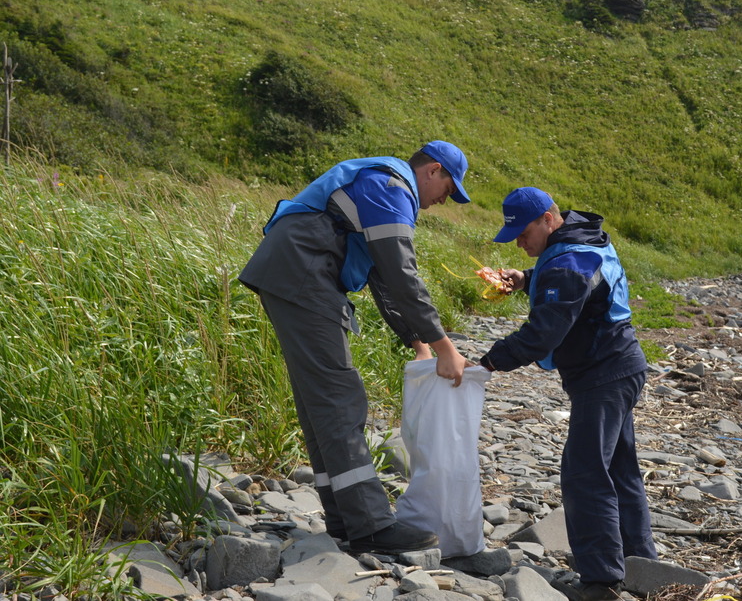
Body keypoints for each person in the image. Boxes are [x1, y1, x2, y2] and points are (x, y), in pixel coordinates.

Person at [239, 141, 471, 555]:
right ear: (433, 170)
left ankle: (345, 520)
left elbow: (381, 276)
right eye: (449, 190)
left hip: (294, 275)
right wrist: (444, 347)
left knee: (321, 403)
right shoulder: (391, 187)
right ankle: (370, 525)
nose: (443, 201)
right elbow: (402, 275)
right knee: (340, 398)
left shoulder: (380, 182)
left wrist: (418, 342)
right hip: (304, 277)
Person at [478, 187, 657, 601]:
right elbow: (580, 289)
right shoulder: (581, 240)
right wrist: (527, 280)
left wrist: (488, 362)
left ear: (547, 219)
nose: (521, 245)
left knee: (584, 474)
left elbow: (542, 335)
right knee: (619, 471)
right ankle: (641, 564)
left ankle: (601, 580)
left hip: (604, 376)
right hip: (621, 368)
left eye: (523, 235)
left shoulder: (568, 263)